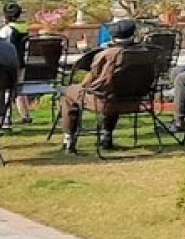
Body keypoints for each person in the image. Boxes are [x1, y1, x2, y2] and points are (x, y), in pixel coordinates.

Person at [59, 18, 139, 154]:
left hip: (106, 102)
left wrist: (84, 85)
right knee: (115, 89)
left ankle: (69, 139)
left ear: (113, 37)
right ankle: (106, 136)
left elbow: (90, 82)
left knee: (70, 93)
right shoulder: (145, 51)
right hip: (136, 99)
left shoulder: (108, 55)